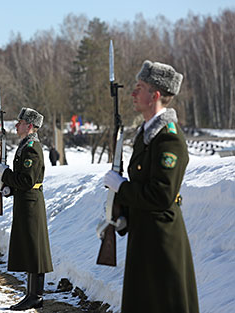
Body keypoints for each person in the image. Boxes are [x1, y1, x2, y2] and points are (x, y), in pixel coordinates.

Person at [103, 60, 199, 313]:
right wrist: (120, 214)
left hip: (161, 239)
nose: (133, 93)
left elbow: (160, 195)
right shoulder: (147, 134)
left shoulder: (168, 137)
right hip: (144, 234)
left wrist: (121, 188)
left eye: (139, 87)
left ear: (154, 95)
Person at [0, 107, 53, 311]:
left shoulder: (32, 148)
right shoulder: (25, 145)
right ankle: (30, 293)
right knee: (29, 248)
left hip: (31, 203)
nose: (16, 125)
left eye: (19, 122)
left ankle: (35, 295)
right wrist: (10, 187)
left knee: (34, 249)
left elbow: (27, 180)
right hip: (25, 201)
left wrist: (6, 174)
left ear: (29, 126)